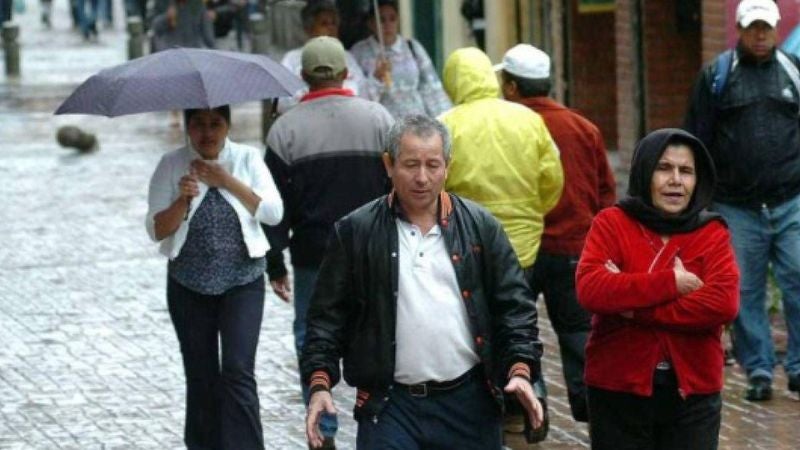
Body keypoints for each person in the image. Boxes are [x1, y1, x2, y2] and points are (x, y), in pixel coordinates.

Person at [301, 114, 544, 450]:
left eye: (433, 165)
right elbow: (326, 321)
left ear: (448, 166)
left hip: (469, 404)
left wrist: (520, 371)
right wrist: (320, 386)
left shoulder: (481, 227)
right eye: (410, 164)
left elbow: (515, 308)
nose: (422, 178)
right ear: (389, 164)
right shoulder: (355, 232)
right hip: (389, 407)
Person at [263, 35, 394, 449]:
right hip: (372, 252)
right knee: (376, 332)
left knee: (312, 338)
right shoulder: (379, 119)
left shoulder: (285, 130)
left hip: (312, 256)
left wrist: (275, 263)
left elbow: (274, 207)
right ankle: (376, 419)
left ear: (303, 76)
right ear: (344, 72)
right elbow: (400, 186)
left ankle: (322, 429)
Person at [576, 128, 739, 450]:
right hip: (617, 387)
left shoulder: (711, 232)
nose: (675, 180)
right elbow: (591, 289)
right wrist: (671, 284)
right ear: (644, 172)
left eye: (686, 171)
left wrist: (633, 306)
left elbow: (723, 303)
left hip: (693, 391)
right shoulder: (612, 223)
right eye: (663, 168)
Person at [439, 46, 563, 445]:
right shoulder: (528, 120)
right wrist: (533, 214)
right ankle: (532, 392)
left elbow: (434, 188)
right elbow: (552, 179)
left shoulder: (445, 126)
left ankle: (489, 401)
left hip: (467, 245)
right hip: (523, 243)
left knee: (478, 325)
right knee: (518, 318)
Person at [145, 105, 284, 449]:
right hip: (188, 284)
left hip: (242, 281)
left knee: (238, 370)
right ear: (188, 127)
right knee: (201, 373)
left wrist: (226, 181)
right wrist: (182, 199)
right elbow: (156, 229)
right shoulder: (171, 164)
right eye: (198, 124)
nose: (207, 133)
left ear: (228, 125)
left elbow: (273, 213)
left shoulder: (248, 159)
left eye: (215, 124)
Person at [684, 0, 800, 401]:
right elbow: (695, 138)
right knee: (744, 289)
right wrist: (698, 201)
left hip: (791, 200)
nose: (761, 35)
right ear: (739, 30)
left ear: (777, 28)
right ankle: (759, 370)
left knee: (798, 280)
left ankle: (799, 366)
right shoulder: (717, 76)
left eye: (767, 27)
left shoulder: (793, 71)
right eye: (753, 28)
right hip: (736, 205)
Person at [497, 43, 617, 423]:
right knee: (580, 332)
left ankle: (530, 402)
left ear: (513, 87)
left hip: (521, 248)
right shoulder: (584, 128)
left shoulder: (507, 128)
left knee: (516, 329)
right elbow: (605, 194)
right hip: (574, 249)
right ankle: (593, 408)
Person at [350, 0, 451, 118]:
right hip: (384, 124)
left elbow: (432, 88)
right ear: (371, 23)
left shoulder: (412, 47)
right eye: (382, 20)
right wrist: (377, 78)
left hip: (416, 122)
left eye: (392, 19)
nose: (387, 25)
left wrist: (443, 118)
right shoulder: (359, 52)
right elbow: (359, 95)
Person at [278, 0, 370, 113]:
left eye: (334, 23)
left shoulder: (348, 58)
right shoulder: (291, 59)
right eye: (324, 24)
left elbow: (363, 93)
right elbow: (281, 102)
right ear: (309, 29)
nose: (331, 28)